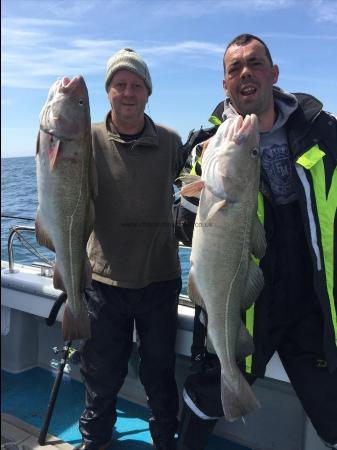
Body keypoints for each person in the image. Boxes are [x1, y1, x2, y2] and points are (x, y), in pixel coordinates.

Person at [175, 34, 337, 450]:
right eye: (234, 68)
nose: (245, 73)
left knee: (331, 405)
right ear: (225, 85)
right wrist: (201, 176)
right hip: (243, 298)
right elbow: (180, 226)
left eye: (255, 64)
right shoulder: (202, 145)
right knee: (210, 389)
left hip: (313, 299)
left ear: (274, 74)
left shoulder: (323, 129)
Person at [75, 48, 186, 450]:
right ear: (108, 92)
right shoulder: (84, 138)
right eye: (119, 85)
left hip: (159, 279)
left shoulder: (172, 141)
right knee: (101, 373)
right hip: (103, 280)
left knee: (159, 371)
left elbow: (196, 190)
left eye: (136, 85)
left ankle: (164, 440)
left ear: (148, 92)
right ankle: (95, 440)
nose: (128, 92)